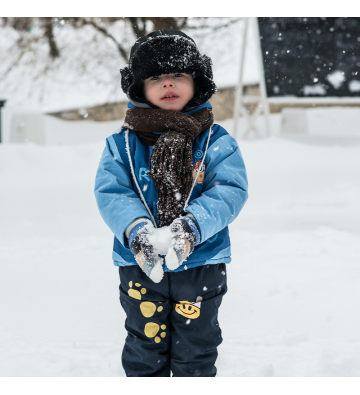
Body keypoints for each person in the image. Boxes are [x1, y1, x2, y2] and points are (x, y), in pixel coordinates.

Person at [94, 30, 248, 377]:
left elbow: (229, 190)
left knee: (197, 348)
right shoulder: (121, 145)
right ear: (139, 88)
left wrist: (193, 225)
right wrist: (136, 230)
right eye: (156, 77)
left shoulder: (216, 142)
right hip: (140, 263)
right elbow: (112, 193)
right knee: (144, 347)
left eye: (178, 74)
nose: (168, 84)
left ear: (197, 82)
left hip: (201, 262)